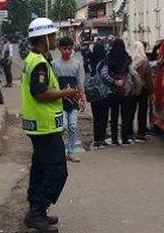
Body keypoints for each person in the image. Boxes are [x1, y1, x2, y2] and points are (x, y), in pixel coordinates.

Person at [22, 17, 80, 232]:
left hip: (39, 125)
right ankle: (37, 211)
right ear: (44, 38)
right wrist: (65, 92)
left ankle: (35, 212)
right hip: (44, 125)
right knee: (57, 171)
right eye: (53, 36)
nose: (55, 39)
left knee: (40, 169)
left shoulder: (34, 58)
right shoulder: (38, 62)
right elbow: (39, 92)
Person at [54, 37, 86, 163]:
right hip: (59, 101)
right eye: (64, 49)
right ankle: (60, 151)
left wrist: (83, 100)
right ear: (60, 49)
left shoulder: (77, 64)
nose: (67, 51)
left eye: (69, 49)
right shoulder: (55, 65)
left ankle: (71, 152)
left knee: (72, 126)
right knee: (63, 126)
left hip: (73, 102)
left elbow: (80, 83)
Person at [98, 38, 131, 145]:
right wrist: (122, 82)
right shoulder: (127, 58)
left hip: (113, 91)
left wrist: (114, 81)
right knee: (125, 115)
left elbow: (104, 74)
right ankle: (125, 138)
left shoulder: (109, 58)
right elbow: (130, 74)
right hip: (125, 90)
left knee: (114, 115)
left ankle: (114, 139)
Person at [88, 42, 111, 150]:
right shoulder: (103, 63)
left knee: (96, 117)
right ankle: (101, 139)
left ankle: (96, 139)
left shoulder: (89, 62)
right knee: (103, 116)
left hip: (93, 93)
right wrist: (114, 82)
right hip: (103, 93)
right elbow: (105, 76)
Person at [131, 41, 153, 142]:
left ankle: (129, 133)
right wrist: (151, 90)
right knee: (142, 112)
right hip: (143, 90)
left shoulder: (130, 61)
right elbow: (149, 78)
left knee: (131, 111)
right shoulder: (144, 61)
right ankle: (141, 133)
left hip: (132, 90)